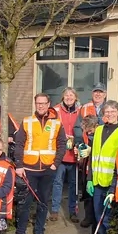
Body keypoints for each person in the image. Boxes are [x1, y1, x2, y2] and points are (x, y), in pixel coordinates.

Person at [13, 93, 66, 234]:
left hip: (48, 169)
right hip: (29, 169)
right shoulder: (27, 122)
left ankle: (39, 233)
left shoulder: (57, 123)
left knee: (43, 203)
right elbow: (19, 144)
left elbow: (62, 144)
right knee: (25, 203)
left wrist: (55, 164)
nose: (41, 106)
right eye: (38, 103)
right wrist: (19, 165)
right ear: (35, 104)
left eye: (43, 103)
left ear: (49, 104)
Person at [86, 101, 118, 234]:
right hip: (97, 183)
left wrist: (115, 185)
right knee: (99, 218)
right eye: (106, 111)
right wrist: (89, 178)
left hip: (112, 185)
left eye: (112, 111)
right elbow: (93, 157)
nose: (109, 114)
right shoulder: (100, 130)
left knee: (108, 220)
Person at [51, 87, 81, 223]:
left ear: (76, 97)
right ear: (63, 97)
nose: (69, 97)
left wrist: (77, 140)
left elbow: (84, 130)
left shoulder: (81, 111)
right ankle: (55, 210)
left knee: (74, 185)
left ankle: (73, 211)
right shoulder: (56, 110)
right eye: (66, 95)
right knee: (57, 183)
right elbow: (50, 129)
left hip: (74, 154)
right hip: (60, 154)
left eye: (71, 95)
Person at [77, 115, 99, 234]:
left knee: (95, 205)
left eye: (90, 131)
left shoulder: (99, 136)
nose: (88, 133)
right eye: (86, 131)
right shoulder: (90, 136)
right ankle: (88, 219)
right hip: (87, 171)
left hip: (96, 175)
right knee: (87, 199)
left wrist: (92, 151)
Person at [73, 83, 108, 147]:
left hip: (104, 146)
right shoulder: (84, 107)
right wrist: (80, 144)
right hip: (87, 145)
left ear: (105, 95)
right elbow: (77, 127)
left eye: (100, 92)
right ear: (92, 94)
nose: (97, 94)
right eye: (95, 91)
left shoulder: (110, 109)